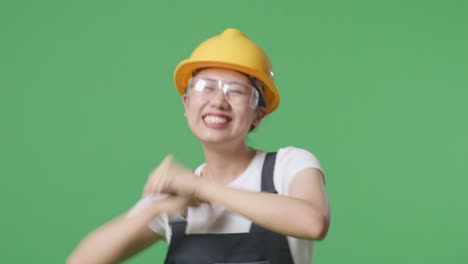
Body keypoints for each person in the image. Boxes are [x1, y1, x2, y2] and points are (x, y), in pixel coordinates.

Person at [67, 28, 330, 264]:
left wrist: (202, 188)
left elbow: (313, 222)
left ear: (258, 114)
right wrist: (157, 208)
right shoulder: (176, 195)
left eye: (236, 91)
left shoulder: (287, 166)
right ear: (186, 104)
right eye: (205, 87)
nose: (218, 101)